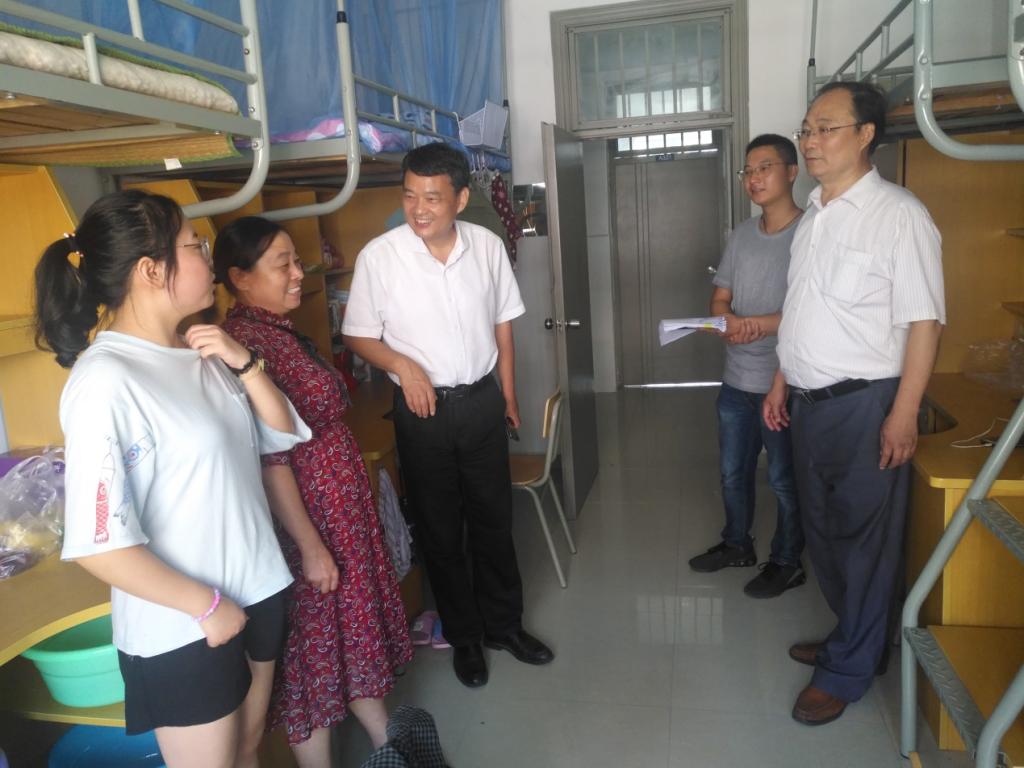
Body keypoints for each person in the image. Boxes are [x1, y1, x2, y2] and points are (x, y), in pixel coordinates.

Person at [35, 190, 310, 768]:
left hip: (256, 586)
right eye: (195, 246)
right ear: (150, 270)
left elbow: (280, 435)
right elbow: (100, 544)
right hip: (186, 623)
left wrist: (244, 363)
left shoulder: (199, 351)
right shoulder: (106, 380)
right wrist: (206, 606)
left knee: (249, 750)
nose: (209, 260)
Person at [763, 81, 945, 725]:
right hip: (808, 403)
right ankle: (857, 638)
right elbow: (804, 310)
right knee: (825, 534)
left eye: (826, 128)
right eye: (806, 129)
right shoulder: (814, 216)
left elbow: (924, 321)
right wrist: (782, 380)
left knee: (865, 542)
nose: (810, 141)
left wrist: (904, 412)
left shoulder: (900, 215)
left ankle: (848, 668)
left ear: (866, 134)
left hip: (866, 404)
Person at [342, 142, 553, 689]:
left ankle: (504, 626)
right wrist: (402, 366)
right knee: (440, 530)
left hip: (481, 401)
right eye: (410, 196)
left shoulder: (487, 246)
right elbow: (358, 334)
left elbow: (504, 325)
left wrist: (508, 395)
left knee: (493, 521)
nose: (419, 209)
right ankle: (464, 638)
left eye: (432, 198)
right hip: (422, 411)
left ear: (460, 199)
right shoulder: (380, 257)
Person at [214, 217, 414, 766]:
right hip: (310, 522)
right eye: (283, 265)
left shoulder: (277, 332)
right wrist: (310, 547)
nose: (298, 274)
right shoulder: (246, 346)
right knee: (314, 655)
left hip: (337, 516)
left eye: (296, 262)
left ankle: (389, 743)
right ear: (240, 277)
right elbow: (272, 462)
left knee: (352, 631)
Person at [687, 134, 806, 599]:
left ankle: (787, 561)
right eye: (748, 171)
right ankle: (737, 543)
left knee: (783, 480)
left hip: (785, 382)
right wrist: (726, 322)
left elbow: (811, 311)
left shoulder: (811, 233)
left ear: (792, 172)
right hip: (737, 382)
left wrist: (755, 324)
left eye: (764, 168)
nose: (754, 178)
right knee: (732, 472)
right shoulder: (741, 235)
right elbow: (720, 298)